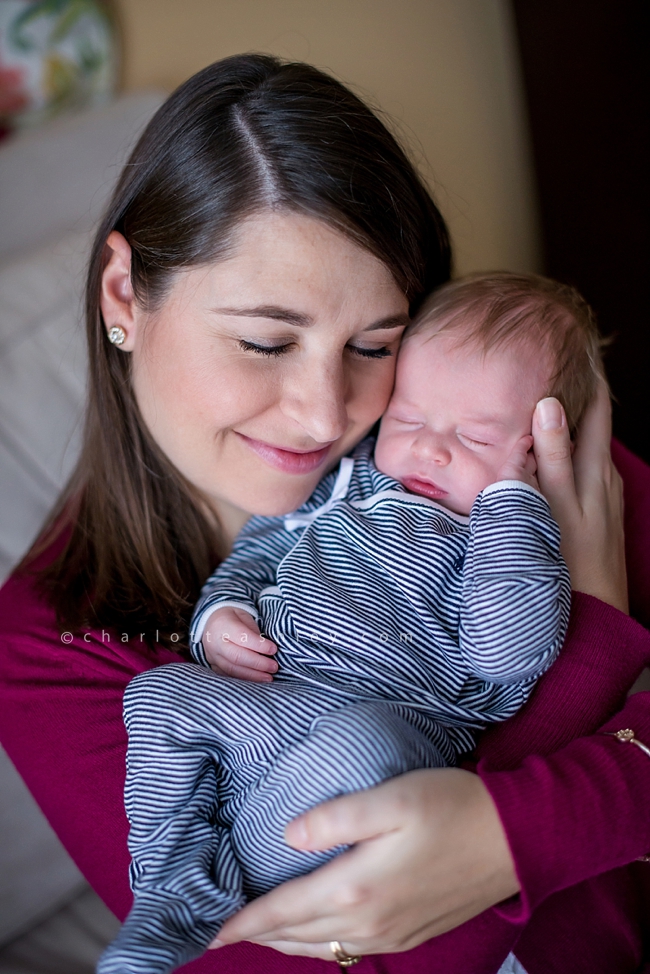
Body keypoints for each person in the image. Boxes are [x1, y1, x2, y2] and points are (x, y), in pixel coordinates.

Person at [0, 54, 648, 974]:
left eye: (374, 344)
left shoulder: (476, 451)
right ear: (123, 296)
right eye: (266, 340)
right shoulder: (48, 646)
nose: (324, 412)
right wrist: (585, 657)